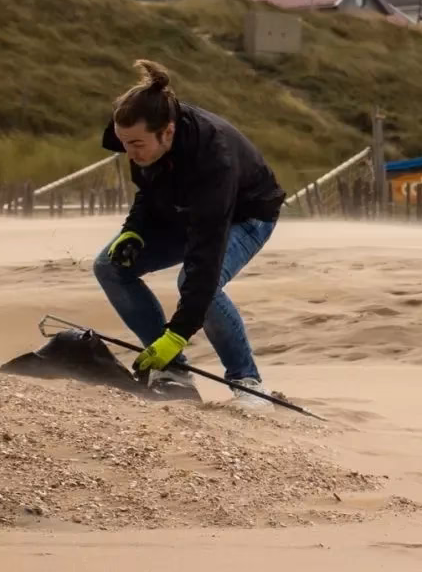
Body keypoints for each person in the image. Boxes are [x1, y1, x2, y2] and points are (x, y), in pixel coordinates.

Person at [92, 59, 286, 408]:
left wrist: (177, 334)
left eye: (136, 144)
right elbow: (149, 191)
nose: (129, 154)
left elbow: (205, 260)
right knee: (108, 267)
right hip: (186, 213)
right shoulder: (141, 138)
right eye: (124, 144)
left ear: (167, 132)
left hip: (245, 217)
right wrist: (132, 232)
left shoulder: (214, 158)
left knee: (199, 285)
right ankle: (173, 374)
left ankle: (247, 382)